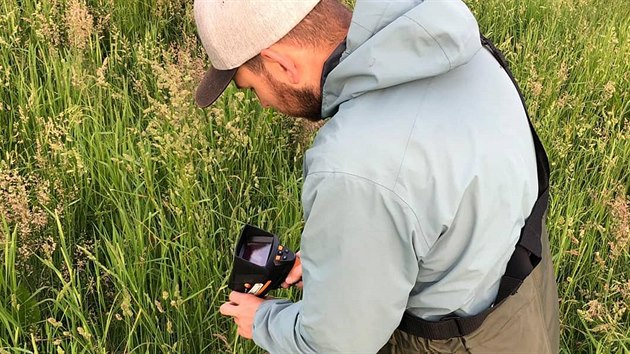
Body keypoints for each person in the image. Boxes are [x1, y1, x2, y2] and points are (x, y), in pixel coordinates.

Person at [193, 0, 560, 352]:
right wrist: (345, 261)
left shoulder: (354, 166)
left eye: (251, 88)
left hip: (457, 343)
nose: (264, 104)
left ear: (282, 66)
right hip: (526, 299)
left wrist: (263, 321)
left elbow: (338, 345)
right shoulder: (456, 44)